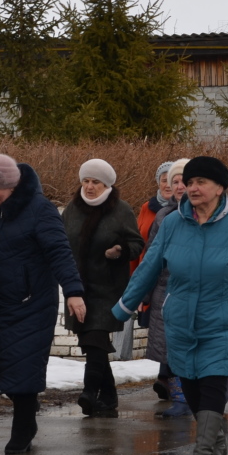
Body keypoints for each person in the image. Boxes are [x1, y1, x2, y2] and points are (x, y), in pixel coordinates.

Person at [114, 157, 228, 455]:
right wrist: (123, 307)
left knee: (213, 378)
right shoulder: (173, 223)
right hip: (180, 318)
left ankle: (203, 452)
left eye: (201, 182)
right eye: (189, 183)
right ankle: (216, 438)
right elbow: (149, 267)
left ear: (220, 188)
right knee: (189, 381)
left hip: (224, 319)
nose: (192, 188)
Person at [0, 154, 86, 454]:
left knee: (24, 367)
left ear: (10, 185)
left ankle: (23, 427)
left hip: (31, 303)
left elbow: (60, 252)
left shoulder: (40, 210)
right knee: (3, 367)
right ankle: (27, 407)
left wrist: (73, 291)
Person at [62, 159, 144, 417]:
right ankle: (108, 398)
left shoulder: (121, 210)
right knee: (91, 343)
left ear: (106, 184)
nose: (89, 186)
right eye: (85, 181)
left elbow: (136, 243)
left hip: (108, 287)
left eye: (95, 182)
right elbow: (60, 243)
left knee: (95, 337)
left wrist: (120, 250)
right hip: (78, 287)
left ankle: (89, 391)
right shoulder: (72, 210)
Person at [143, 159, 190, 418]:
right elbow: (151, 259)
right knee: (168, 347)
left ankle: (197, 397)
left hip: (193, 291)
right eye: (175, 181)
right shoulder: (162, 216)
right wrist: (143, 293)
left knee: (188, 346)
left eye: (184, 180)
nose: (180, 186)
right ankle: (179, 398)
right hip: (165, 290)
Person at [133, 161, 173, 273]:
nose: (168, 185)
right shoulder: (147, 207)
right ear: (158, 183)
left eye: (172, 181)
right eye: (164, 180)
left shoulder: (185, 209)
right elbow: (137, 241)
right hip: (145, 272)